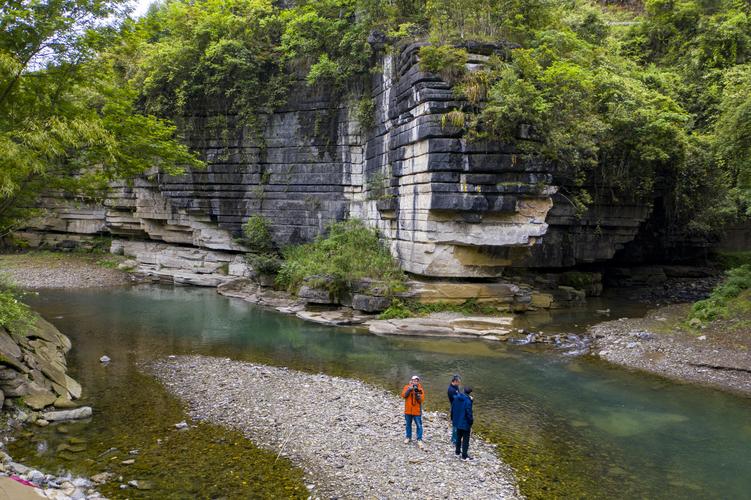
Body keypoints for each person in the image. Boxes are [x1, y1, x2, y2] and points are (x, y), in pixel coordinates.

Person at [401, 375, 426, 448]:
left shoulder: (420, 389)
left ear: (418, 382)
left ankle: (419, 439)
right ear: (411, 381)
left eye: (416, 380)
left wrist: (417, 394)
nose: (415, 382)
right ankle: (408, 437)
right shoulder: (406, 387)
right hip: (408, 411)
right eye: (414, 380)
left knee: (419, 425)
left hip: (417, 412)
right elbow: (403, 395)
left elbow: (421, 400)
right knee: (408, 424)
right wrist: (409, 389)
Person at [451, 386, 474, 460]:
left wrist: (453, 419)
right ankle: (464, 455)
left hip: (457, 421)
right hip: (465, 423)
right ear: (470, 393)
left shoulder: (456, 397)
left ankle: (457, 452)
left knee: (458, 437)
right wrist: (471, 422)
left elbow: (453, 408)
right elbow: (469, 413)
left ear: (463, 390)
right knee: (466, 440)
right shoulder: (468, 401)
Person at [447, 374, 461, 445]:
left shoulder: (456, 387)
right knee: (455, 424)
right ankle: (454, 440)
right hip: (454, 408)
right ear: (455, 381)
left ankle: (455, 438)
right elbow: (456, 399)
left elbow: (459, 395)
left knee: (457, 423)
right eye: (458, 382)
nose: (459, 383)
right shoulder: (451, 390)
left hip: (458, 407)